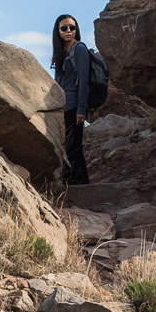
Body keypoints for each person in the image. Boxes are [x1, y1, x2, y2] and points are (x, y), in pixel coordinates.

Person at [51, 12, 91, 185]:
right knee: (65, 148)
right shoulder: (60, 53)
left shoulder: (79, 49)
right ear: (58, 31)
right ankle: (70, 184)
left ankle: (83, 186)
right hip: (62, 107)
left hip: (74, 106)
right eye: (64, 28)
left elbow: (84, 81)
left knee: (74, 149)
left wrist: (82, 110)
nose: (69, 31)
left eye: (72, 27)